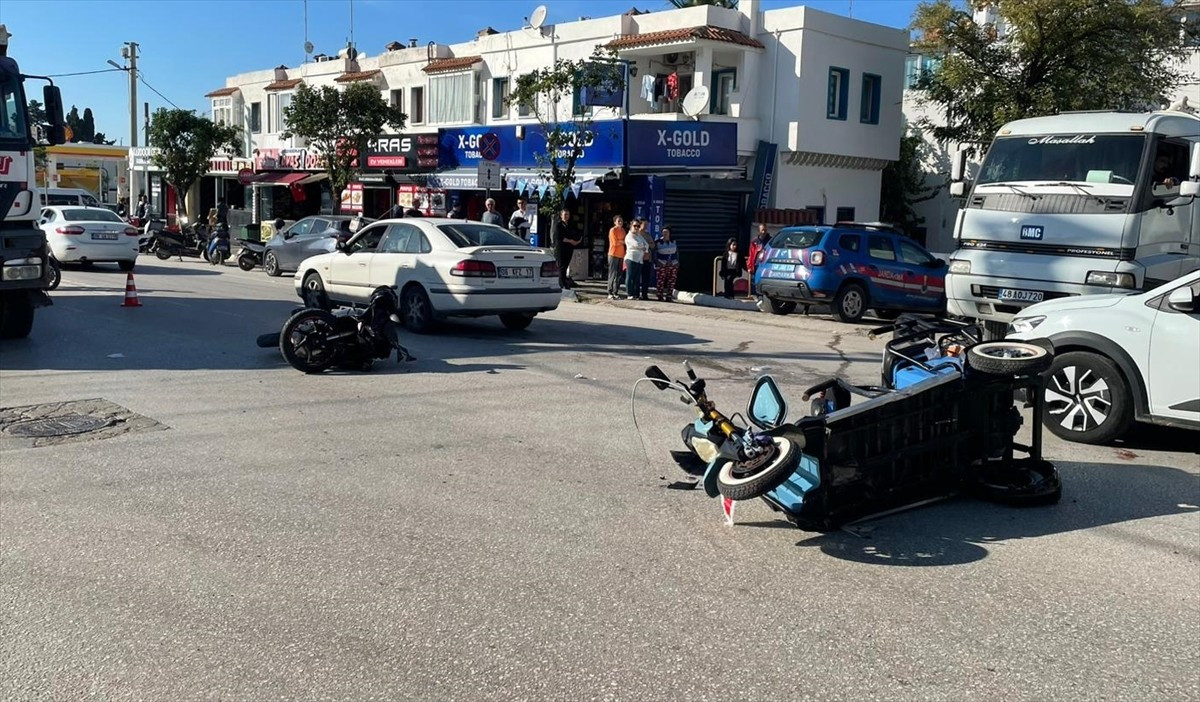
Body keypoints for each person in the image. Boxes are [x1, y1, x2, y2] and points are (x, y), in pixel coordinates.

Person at [550, 208, 582, 289]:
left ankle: (565, 282)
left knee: (566, 265)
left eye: (567, 214)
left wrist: (577, 241)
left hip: (569, 248)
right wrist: (571, 241)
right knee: (561, 266)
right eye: (565, 215)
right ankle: (561, 283)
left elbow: (575, 233)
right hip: (561, 248)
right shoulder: (558, 225)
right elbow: (559, 237)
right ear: (561, 216)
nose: (566, 216)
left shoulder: (570, 225)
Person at [623, 221, 649, 300]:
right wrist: (642, 246)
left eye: (638, 226)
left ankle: (635, 294)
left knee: (637, 278)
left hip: (639, 259)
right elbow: (636, 244)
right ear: (631, 226)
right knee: (630, 276)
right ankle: (629, 294)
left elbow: (646, 244)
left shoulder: (639, 235)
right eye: (635, 226)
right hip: (631, 258)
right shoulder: (629, 236)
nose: (637, 228)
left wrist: (643, 247)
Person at [655, 226, 679, 301]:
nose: (665, 234)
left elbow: (677, 252)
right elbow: (654, 253)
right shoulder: (658, 242)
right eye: (663, 232)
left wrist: (677, 262)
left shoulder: (674, 241)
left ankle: (669, 296)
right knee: (660, 280)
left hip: (673, 263)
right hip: (662, 263)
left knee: (672, 280)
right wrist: (657, 262)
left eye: (666, 232)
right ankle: (660, 295)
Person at [606, 215, 626, 299]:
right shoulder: (612, 230)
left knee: (619, 275)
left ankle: (616, 292)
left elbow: (625, 241)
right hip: (613, 254)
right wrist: (622, 241)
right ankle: (610, 292)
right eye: (618, 221)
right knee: (612, 274)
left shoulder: (623, 230)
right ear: (615, 222)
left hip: (621, 254)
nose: (620, 223)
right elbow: (614, 243)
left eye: (621, 221)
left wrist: (620, 241)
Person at [747, 223, 771, 293]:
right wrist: (749, 266)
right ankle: (755, 294)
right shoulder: (754, 241)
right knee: (754, 280)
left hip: (766, 264)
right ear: (759, 231)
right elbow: (751, 254)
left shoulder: (770, 240)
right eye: (762, 230)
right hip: (757, 263)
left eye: (765, 230)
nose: (764, 232)